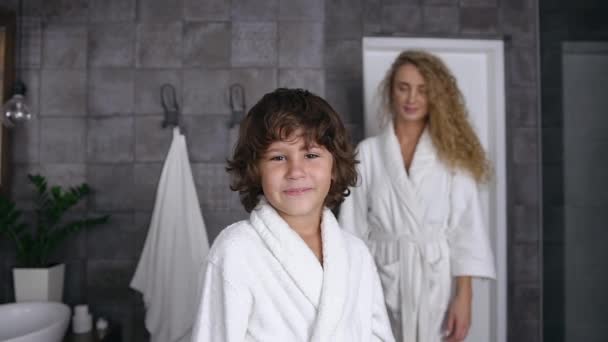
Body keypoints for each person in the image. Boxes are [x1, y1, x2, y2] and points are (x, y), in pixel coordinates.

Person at [191, 88, 395, 342]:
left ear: (334, 166)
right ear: (256, 170)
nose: (296, 171)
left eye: (311, 155)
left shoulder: (356, 254)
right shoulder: (236, 250)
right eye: (278, 157)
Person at [339, 50, 496, 342]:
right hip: (380, 275)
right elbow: (351, 230)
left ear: (435, 95)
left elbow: (466, 228)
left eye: (423, 90)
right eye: (404, 87)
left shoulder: (451, 154)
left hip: (435, 278)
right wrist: (352, 294)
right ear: (391, 91)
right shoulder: (369, 152)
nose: (412, 98)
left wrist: (465, 296)